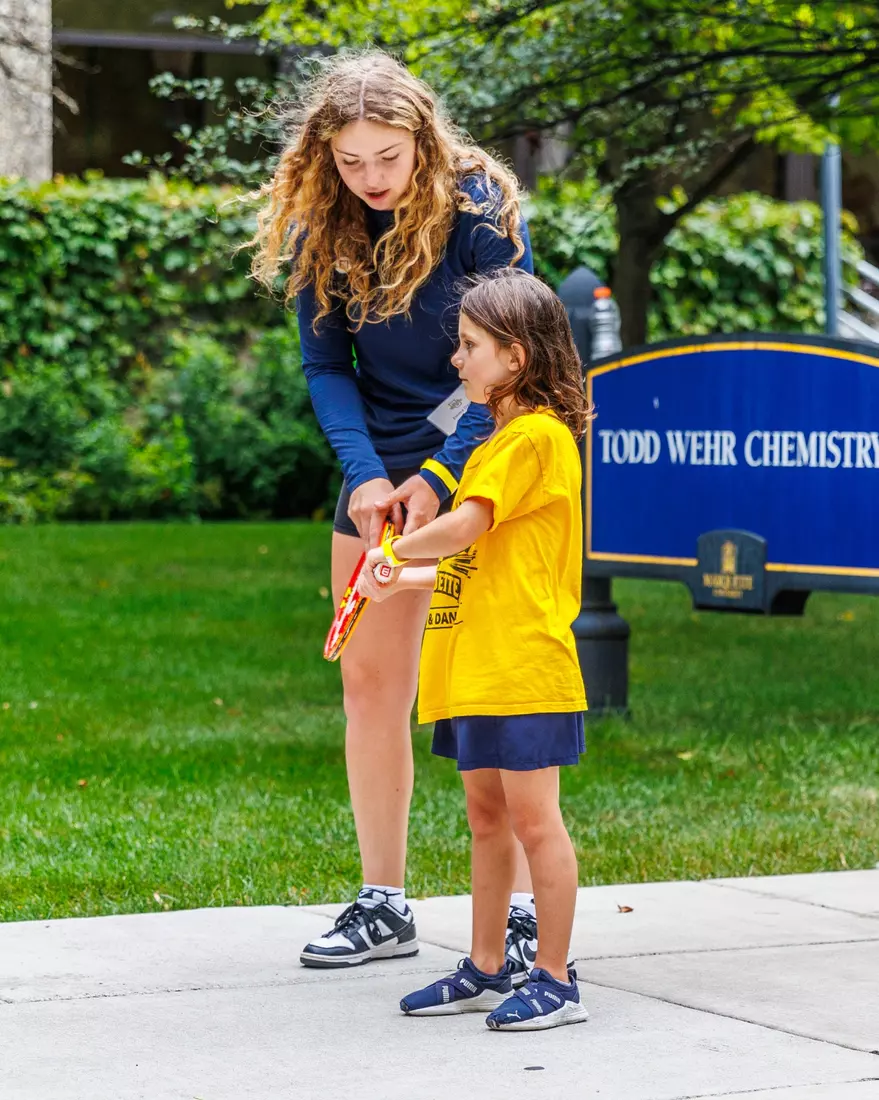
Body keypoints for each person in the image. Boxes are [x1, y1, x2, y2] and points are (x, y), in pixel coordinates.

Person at [250, 49, 541, 978]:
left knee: (496, 686)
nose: (371, 179)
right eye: (350, 161)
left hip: (481, 450)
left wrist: (443, 475)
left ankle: (526, 909)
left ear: (422, 138)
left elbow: (510, 354)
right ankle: (384, 904)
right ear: (322, 157)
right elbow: (326, 368)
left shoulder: (480, 215)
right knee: (371, 687)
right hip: (375, 469)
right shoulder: (324, 228)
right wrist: (368, 474)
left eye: (387, 156)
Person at [359, 268, 592, 1031]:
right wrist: (399, 580)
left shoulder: (533, 438)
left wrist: (395, 553)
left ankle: (554, 979)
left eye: (469, 347)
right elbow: (473, 554)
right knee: (487, 822)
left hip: (522, 666)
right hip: (473, 668)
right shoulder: (496, 440)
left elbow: (465, 527)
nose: (456, 362)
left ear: (516, 357)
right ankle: (487, 967)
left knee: (534, 822)